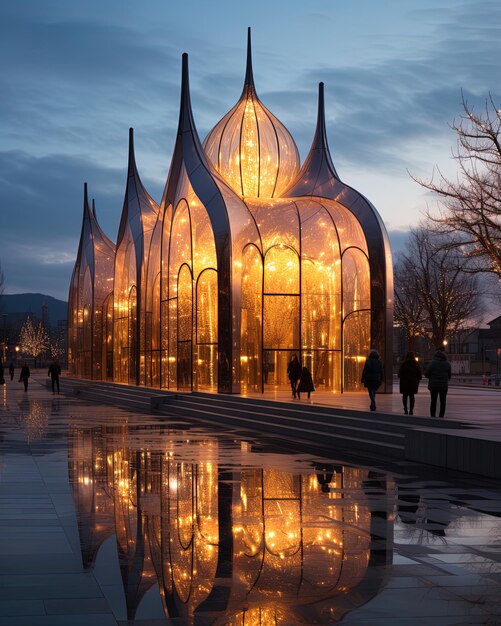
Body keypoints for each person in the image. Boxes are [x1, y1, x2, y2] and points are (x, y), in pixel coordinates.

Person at [424, 349, 451, 418]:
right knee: (443, 401)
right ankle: (441, 416)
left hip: (433, 384)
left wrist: (431, 377)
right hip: (443, 385)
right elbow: (449, 375)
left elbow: (427, 373)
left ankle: (432, 415)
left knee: (433, 401)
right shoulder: (447, 364)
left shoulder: (432, 363)